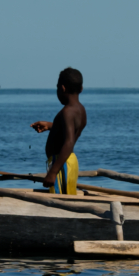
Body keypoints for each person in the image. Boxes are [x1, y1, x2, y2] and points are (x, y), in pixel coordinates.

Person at [29, 67, 86, 195]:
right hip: (69, 162)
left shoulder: (67, 112)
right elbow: (71, 129)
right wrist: (51, 126)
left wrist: (53, 172)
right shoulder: (80, 110)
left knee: (61, 201)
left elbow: (69, 142)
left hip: (61, 164)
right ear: (81, 88)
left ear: (63, 88)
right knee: (69, 199)